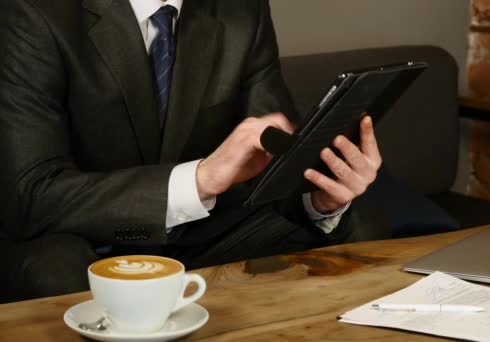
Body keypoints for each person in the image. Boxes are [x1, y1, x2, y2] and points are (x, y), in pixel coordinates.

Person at [0, 0, 381, 302]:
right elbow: (33, 197)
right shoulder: (32, 12)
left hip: (196, 238)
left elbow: (272, 165)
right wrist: (198, 180)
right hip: (76, 241)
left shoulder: (241, 11)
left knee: (358, 222)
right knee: (56, 268)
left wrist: (321, 196)